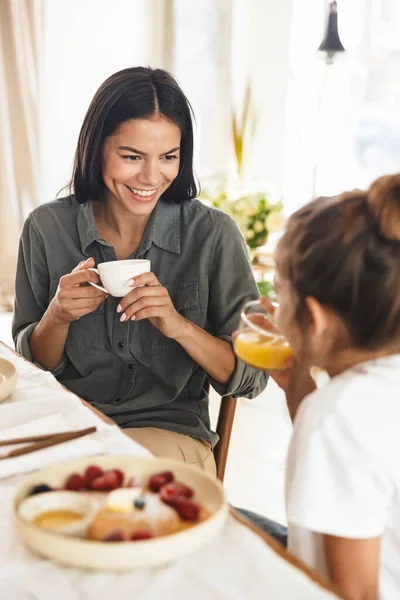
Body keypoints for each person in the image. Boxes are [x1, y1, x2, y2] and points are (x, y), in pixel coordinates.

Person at [12, 67, 268, 476]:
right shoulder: (47, 228)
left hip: (170, 432)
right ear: (96, 149)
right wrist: (57, 315)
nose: (151, 177)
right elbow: (35, 367)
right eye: (132, 157)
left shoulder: (213, 235)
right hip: (71, 427)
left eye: (169, 157)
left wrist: (177, 325)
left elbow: (252, 377)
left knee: (105, 490)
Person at [243, 174, 400, 600]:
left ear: (315, 318)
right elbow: (352, 467)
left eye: (282, 294)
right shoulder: (361, 397)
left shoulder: (338, 415)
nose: (276, 309)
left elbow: (358, 594)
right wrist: (297, 384)